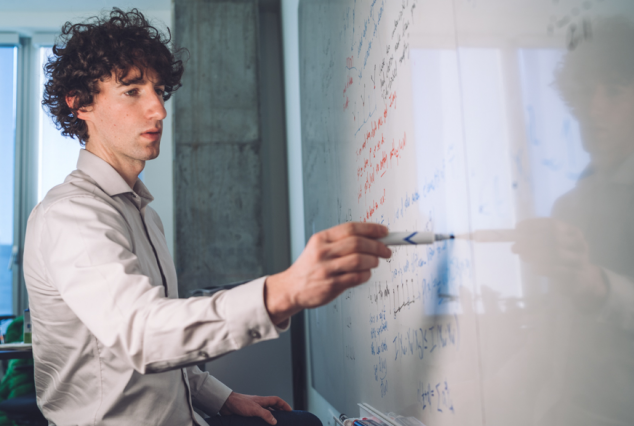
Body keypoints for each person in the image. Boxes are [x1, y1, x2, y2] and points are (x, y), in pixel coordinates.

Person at [23, 8, 392, 426]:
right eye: (132, 91)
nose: (159, 111)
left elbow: (162, 351)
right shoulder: (71, 217)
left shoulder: (142, 213)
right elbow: (144, 334)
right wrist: (283, 292)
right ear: (80, 104)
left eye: (159, 91)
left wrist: (222, 397)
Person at [510, 17, 634, 426]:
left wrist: (596, 286)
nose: (594, 107)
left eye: (614, 91)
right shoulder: (567, 205)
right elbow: (556, 327)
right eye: (585, 93)